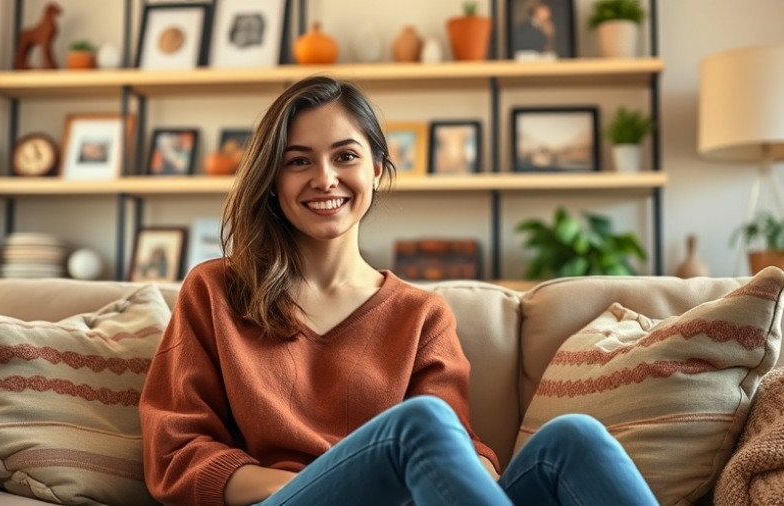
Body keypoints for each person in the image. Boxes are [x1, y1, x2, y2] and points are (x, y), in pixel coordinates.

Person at [139, 76, 658, 506]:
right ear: (272, 180)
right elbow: (175, 452)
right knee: (420, 424)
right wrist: (343, 481)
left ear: (377, 170)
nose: (324, 178)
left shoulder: (420, 315)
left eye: (345, 156)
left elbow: (456, 441)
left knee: (574, 438)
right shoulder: (216, 291)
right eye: (298, 161)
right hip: (286, 501)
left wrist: (469, 470)